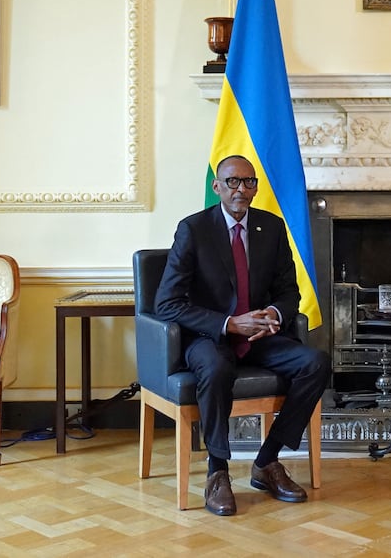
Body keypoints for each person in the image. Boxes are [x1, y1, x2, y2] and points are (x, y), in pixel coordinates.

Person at [154, 155, 331, 516]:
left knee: (316, 362)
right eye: (232, 182)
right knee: (217, 370)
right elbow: (166, 304)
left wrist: (274, 314)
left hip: (261, 337)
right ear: (217, 187)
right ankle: (217, 471)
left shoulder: (273, 227)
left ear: (256, 187)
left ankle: (267, 461)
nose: (241, 190)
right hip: (211, 337)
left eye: (248, 182)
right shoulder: (193, 230)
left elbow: (289, 293)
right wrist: (230, 324)